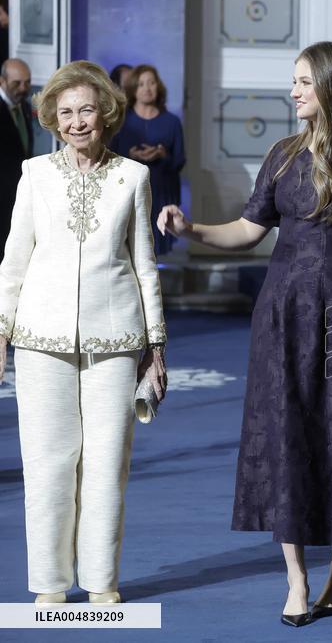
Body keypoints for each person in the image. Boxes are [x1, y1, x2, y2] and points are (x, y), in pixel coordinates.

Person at [158, 41, 332, 628]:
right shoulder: (281, 156)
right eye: (292, 80)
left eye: (303, 81)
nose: (292, 90)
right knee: (285, 437)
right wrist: (191, 227)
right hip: (283, 318)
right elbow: (248, 231)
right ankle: (296, 579)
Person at [0, 60, 167, 605]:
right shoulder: (33, 175)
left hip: (116, 342)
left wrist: (156, 347)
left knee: (105, 466)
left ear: (106, 113)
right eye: (66, 112)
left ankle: (101, 584)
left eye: (87, 110)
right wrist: (1, 334)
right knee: (47, 465)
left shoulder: (133, 177)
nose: (76, 122)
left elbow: (144, 264)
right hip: (39, 339)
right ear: (51, 116)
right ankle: (49, 588)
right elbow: (13, 263)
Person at [110, 64, 185, 256]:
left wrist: (162, 155)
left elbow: (179, 160)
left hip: (162, 191)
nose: (147, 88)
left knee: (156, 250)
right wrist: (131, 155)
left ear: (158, 86)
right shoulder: (121, 121)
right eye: (141, 84)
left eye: (151, 83)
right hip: (129, 191)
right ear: (133, 88)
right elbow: (109, 157)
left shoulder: (172, 122)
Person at [0, 58, 34, 259]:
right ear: (2, 81)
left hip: (17, 193)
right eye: (17, 83)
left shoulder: (25, 107)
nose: (23, 88)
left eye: (27, 82)